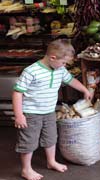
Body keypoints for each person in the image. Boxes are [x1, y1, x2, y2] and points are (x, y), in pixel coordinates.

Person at [12, 39, 93, 180]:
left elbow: (71, 80)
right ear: (52, 58)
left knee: (51, 138)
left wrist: (84, 90)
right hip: (31, 113)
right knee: (29, 141)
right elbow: (17, 92)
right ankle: (26, 169)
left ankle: (51, 161)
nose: (64, 66)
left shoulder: (59, 69)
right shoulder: (31, 71)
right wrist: (19, 115)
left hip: (49, 111)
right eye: (63, 63)